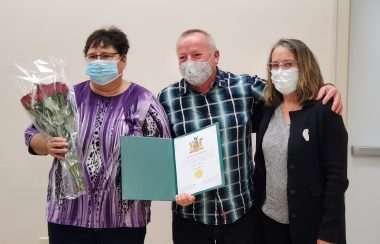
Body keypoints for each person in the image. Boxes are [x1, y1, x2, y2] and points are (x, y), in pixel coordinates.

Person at [157, 29, 343, 244]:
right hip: (191, 218)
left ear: (215, 56)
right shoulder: (166, 98)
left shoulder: (244, 87)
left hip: (240, 215)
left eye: (196, 55)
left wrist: (327, 88)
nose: (189, 62)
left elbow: (289, 91)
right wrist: (174, 189)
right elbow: (162, 156)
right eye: (182, 57)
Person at [24, 26, 171, 244]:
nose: (98, 61)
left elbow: (163, 153)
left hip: (123, 220)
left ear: (123, 60)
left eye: (106, 56)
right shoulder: (69, 97)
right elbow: (31, 134)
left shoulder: (144, 101)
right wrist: (46, 144)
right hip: (67, 216)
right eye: (92, 57)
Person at [252, 38, 348, 244]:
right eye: (274, 65)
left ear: (304, 66)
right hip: (269, 223)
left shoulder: (324, 111)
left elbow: (336, 179)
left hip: (311, 226)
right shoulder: (267, 109)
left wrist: (328, 234)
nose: (280, 71)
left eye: (288, 64)